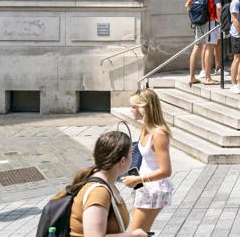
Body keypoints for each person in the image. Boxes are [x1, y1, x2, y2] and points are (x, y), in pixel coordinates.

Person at [65, 130, 146, 237]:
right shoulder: (99, 193)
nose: (133, 157)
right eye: (131, 153)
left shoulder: (107, 183)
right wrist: (133, 235)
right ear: (122, 161)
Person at [122, 89, 174, 233]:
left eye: (134, 106)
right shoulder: (145, 128)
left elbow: (166, 171)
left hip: (154, 188)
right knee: (140, 232)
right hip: (143, 186)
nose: (131, 110)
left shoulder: (159, 134)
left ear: (144, 108)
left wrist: (138, 178)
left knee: (135, 233)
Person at [187, 0, 225, 87]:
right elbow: (218, 7)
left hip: (198, 22)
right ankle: (208, 78)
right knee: (209, 47)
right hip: (210, 21)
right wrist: (219, 20)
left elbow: (187, 5)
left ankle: (192, 77)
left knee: (196, 47)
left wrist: (195, 18)